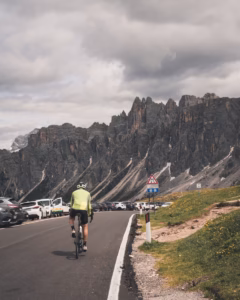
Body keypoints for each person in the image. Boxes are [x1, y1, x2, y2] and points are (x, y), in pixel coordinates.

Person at [69, 182, 93, 252]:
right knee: (85, 226)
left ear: (78, 187)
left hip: (75, 209)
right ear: (84, 187)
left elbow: (71, 203)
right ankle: (85, 245)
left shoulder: (73, 192)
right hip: (83, 210)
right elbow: (89, 205)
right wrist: (89, 213)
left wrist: (71, 211)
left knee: (71, 218)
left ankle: (73, 229)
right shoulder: (88, 193)